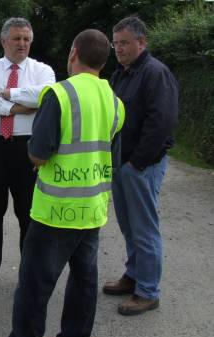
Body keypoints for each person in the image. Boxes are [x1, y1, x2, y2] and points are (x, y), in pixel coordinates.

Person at [5, 29, 125, 337]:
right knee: (84, 282)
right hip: (92, 210)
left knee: (34, 287)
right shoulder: (115, 102)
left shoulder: (58, 95)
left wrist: (36, 156)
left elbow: (37, 153)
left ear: (73, 54)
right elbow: (112, 156)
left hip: (54, 214)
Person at [0, 17, 55, 295]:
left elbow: (44, 95)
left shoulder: (42, 70)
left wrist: (6, 93)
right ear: (3, 41)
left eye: (27, 39)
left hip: (27, 150)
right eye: (17, 38)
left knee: (28, 215)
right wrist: (16, 108)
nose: (22, 44)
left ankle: (29, 275)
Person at [102, 16, 178, 316]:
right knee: (129, 226)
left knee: (144, 229)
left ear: (141, 42)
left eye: (124, 43)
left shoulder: (155, 73)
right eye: (115, 43)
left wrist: (137, 162)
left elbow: (162, 122)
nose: (118, 49)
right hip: (121, 164)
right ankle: (133, 276)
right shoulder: (121, 74)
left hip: (140, 166)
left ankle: (147, 291)